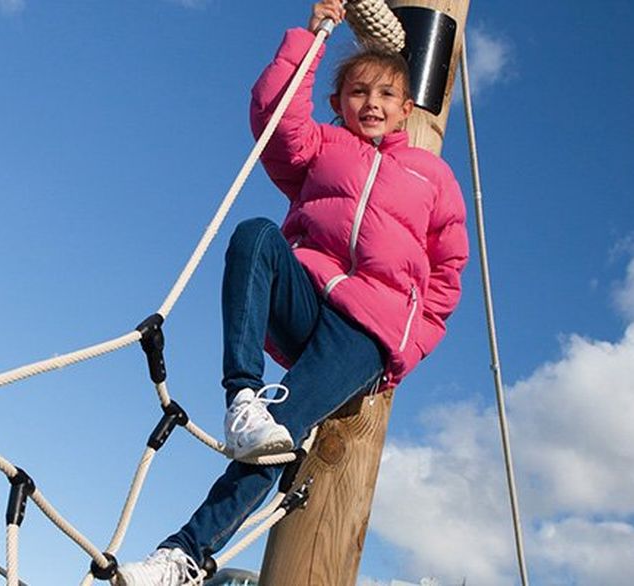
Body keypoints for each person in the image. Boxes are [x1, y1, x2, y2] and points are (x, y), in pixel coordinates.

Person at [117, 1, 468, 584]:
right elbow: (274, 118)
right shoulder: (323, 149)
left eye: (385, 96)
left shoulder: (434, 179)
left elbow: (446, 274)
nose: (372, 105)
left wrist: (402, 354)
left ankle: (182, 556)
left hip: (366, 333)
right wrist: (311, 40)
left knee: (278, 441)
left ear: (407, 109)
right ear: (338, 104)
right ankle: (242, 398)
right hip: (307, 295)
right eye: (358, 93)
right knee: (255, 234)